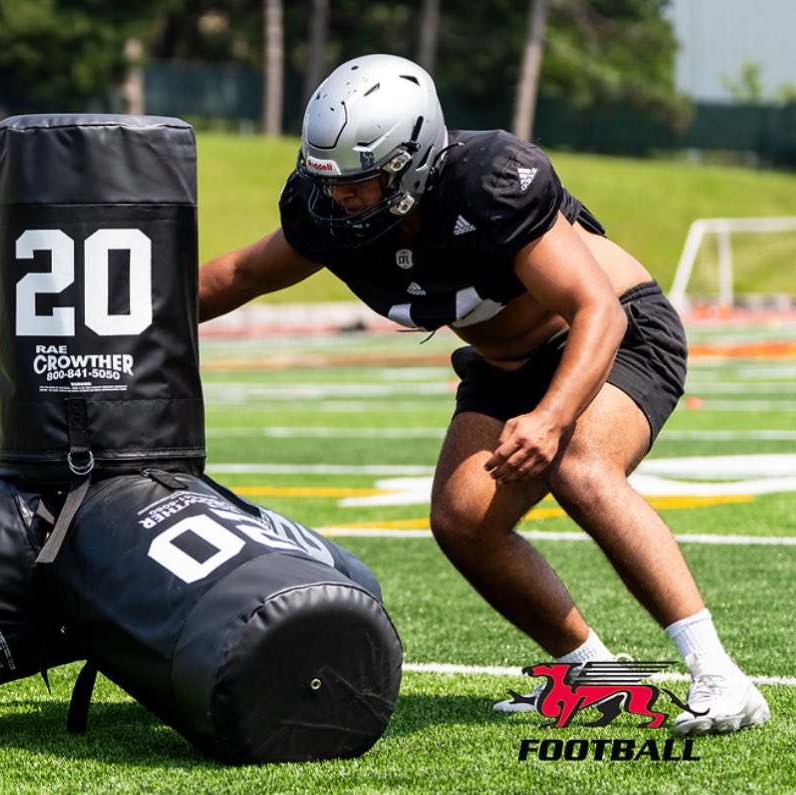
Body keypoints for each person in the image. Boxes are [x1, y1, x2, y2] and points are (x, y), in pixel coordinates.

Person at [197, 54, 770, 736]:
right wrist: (127, 309)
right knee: (463, 518)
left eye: (361, 182)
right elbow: (237, 274)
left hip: (613, 332)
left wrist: (553, 417)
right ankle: (595, 677)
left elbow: (598, 311)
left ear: (412, 162)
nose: (341, 200)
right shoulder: (328, 213)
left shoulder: (488, 181)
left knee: (581, 465)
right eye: (331, 182)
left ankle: (719, 673)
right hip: (507, 364)